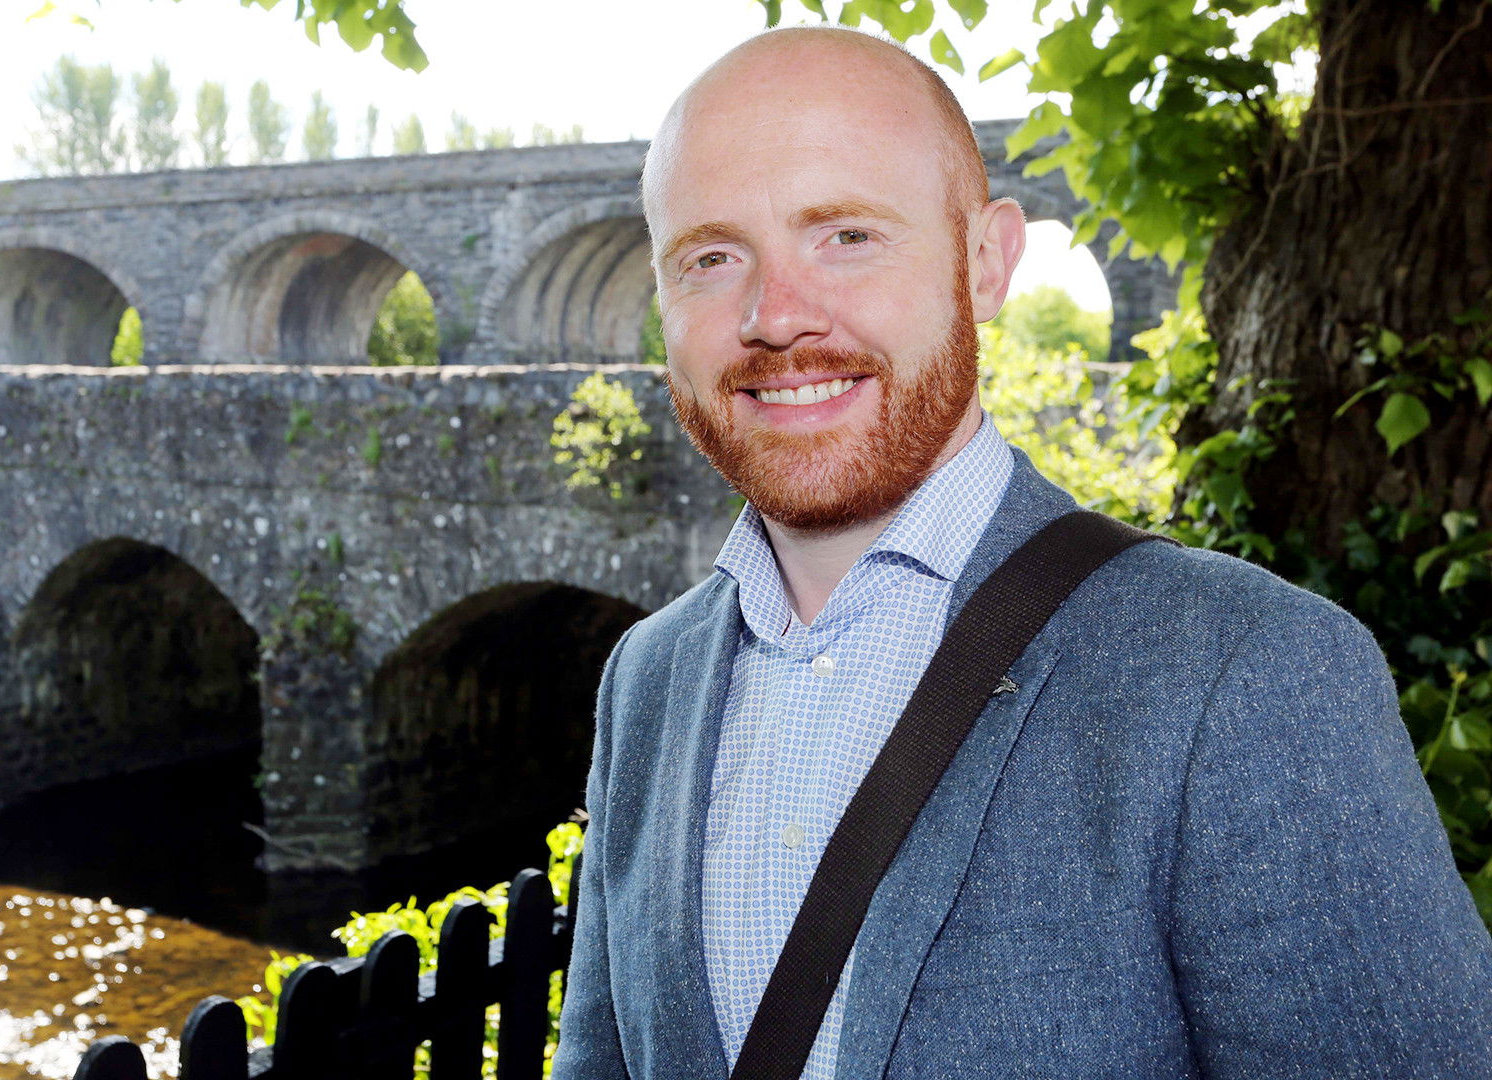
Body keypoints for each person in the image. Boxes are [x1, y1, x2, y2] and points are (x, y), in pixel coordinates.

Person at [552, 26, 1492, 1080]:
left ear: (987, 263)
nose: (775, 317)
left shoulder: (1247, 673)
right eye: (711, 258)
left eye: (847, 236)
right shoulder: (648, 679)